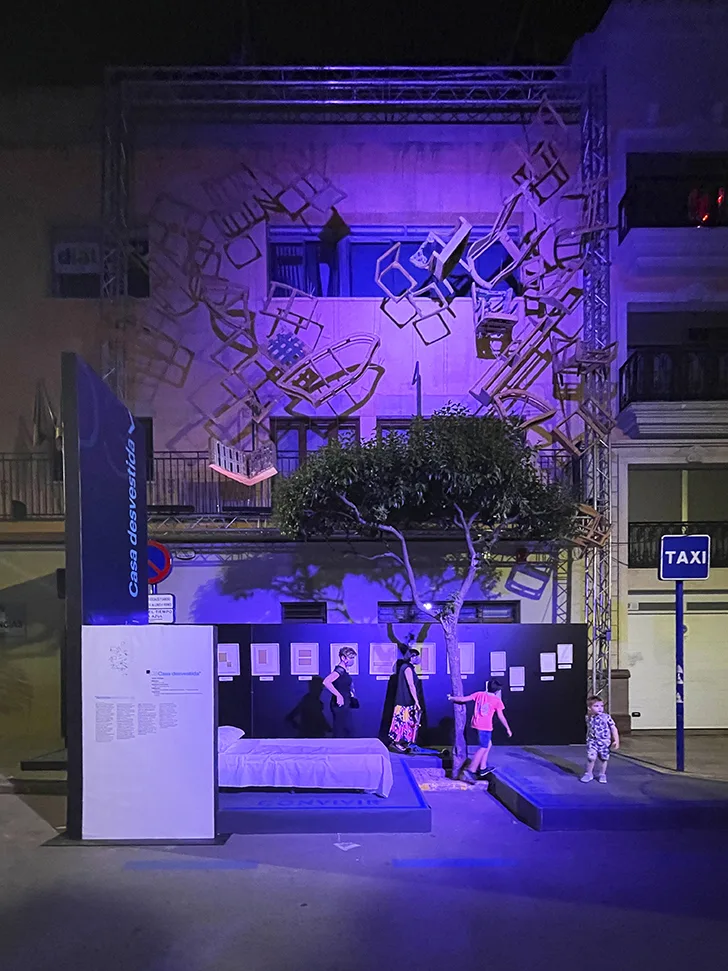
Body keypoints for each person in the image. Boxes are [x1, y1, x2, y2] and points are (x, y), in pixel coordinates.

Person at [448, 678, 512, 782]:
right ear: (497, 690)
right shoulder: (497, 701)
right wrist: (508, 728)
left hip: (475, 724)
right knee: (483, 747)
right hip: (485, 727)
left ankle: (483, 767)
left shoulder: (479, 694)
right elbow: (501, 716)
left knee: (488, 744)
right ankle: (471, 770)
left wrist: (452, 698)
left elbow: (463, 699)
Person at [388, 647, 422, 753]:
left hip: (406, 701)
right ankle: (396, 742)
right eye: (417, 656)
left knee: (406, 722)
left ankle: (401, 742)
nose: (419, 659)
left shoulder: (407, 667)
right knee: (401, 722)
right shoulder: (407, 668)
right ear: (412, 657)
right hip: (404, 701)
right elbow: (411, 685)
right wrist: (416, 701)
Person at [581, 695, 619, 784]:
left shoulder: (606, 717)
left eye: (601, 706)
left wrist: (616, 740)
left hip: (604, 742)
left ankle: (602, 774)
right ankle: (588, 773)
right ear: (589, 708)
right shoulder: (588, 717)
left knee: (603, 758)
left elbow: (613, 728)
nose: (600, 708)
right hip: (592, 741)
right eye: (596, 706)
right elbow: (589, 728)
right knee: (591, 757)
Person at [323, 646, 357, 738]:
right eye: (350, 658)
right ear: (343, 658)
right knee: (340, 729)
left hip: (345, 703)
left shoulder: (344, 671)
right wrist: (338, 695)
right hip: (340, 704)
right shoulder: (339, 670)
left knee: (345, 728)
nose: (352, 660)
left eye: (353, 658)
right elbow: (326, 681)